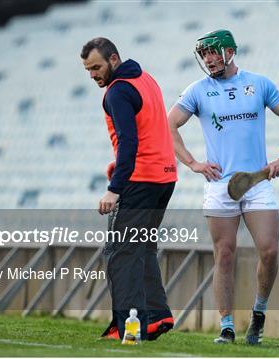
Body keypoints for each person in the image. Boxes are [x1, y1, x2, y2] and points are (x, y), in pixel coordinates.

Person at [167, 29, 279, 344]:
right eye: (204, 55)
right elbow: (169, 124)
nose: (208, 59)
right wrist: (193, 163)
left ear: (229, 51)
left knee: (268, 251)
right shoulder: (198, 90)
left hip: (256, 183)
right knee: (224, 254)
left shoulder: (259, 84)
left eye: (213, 52)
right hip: (220, 186)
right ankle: (226, 327)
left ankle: (258, 314)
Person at [80, 37, 177, 342]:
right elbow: (148, 132)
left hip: (140, 180)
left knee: (120, 253)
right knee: (142, 247)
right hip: (165, 177)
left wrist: (114, 188)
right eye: (88, 70)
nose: (93, 74)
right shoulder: (145, 78)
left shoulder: (118, 91)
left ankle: (129, 327)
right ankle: (156, 316)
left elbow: (129, 141)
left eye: (96, 67)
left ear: (113, 59)